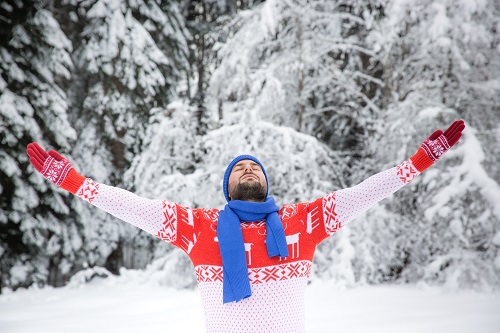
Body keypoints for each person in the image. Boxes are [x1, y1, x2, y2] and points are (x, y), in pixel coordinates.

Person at [26, 120, 465, 333]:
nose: (249, 169)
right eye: (241, 169)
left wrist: (416, 163)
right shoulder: (201, 229)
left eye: (255, 166)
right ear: (228, 186)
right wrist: (78, 184)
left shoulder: (300, 223)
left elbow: (363, 194)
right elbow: (137, 208)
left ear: (266, 183)